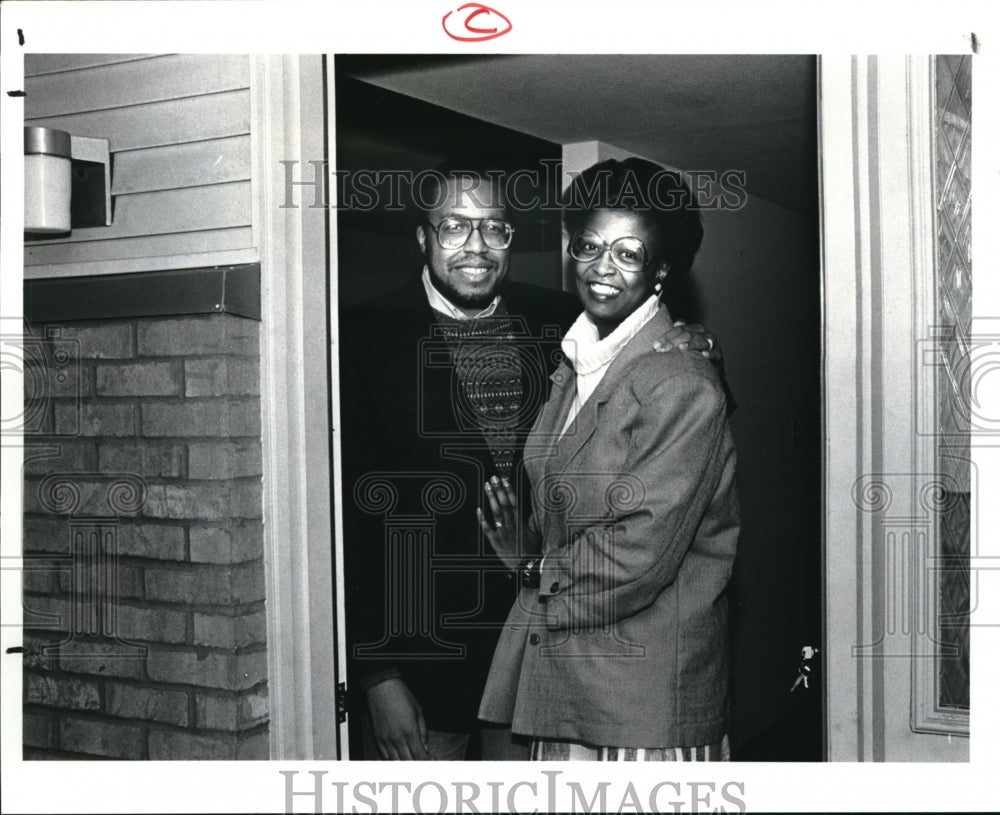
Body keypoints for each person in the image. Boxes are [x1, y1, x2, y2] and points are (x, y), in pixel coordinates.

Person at [339, 163, 719, 761]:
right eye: (454, 227)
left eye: (494, 228)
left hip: (536, 659)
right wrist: (376, 676)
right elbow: (351, 523)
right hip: (421, 661)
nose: (476, 247)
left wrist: (699, 343)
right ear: (421, 237)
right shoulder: (362, 337)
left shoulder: (558, 323)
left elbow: (660, 380)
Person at [477, 157, 740, 761]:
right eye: (590, 245)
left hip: (635, 705)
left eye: (628, 253)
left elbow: (637, 556)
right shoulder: (573, 366)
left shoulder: (682, 382)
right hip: (567, 685)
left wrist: (528, 567)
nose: (601, 267)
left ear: (661, 270)